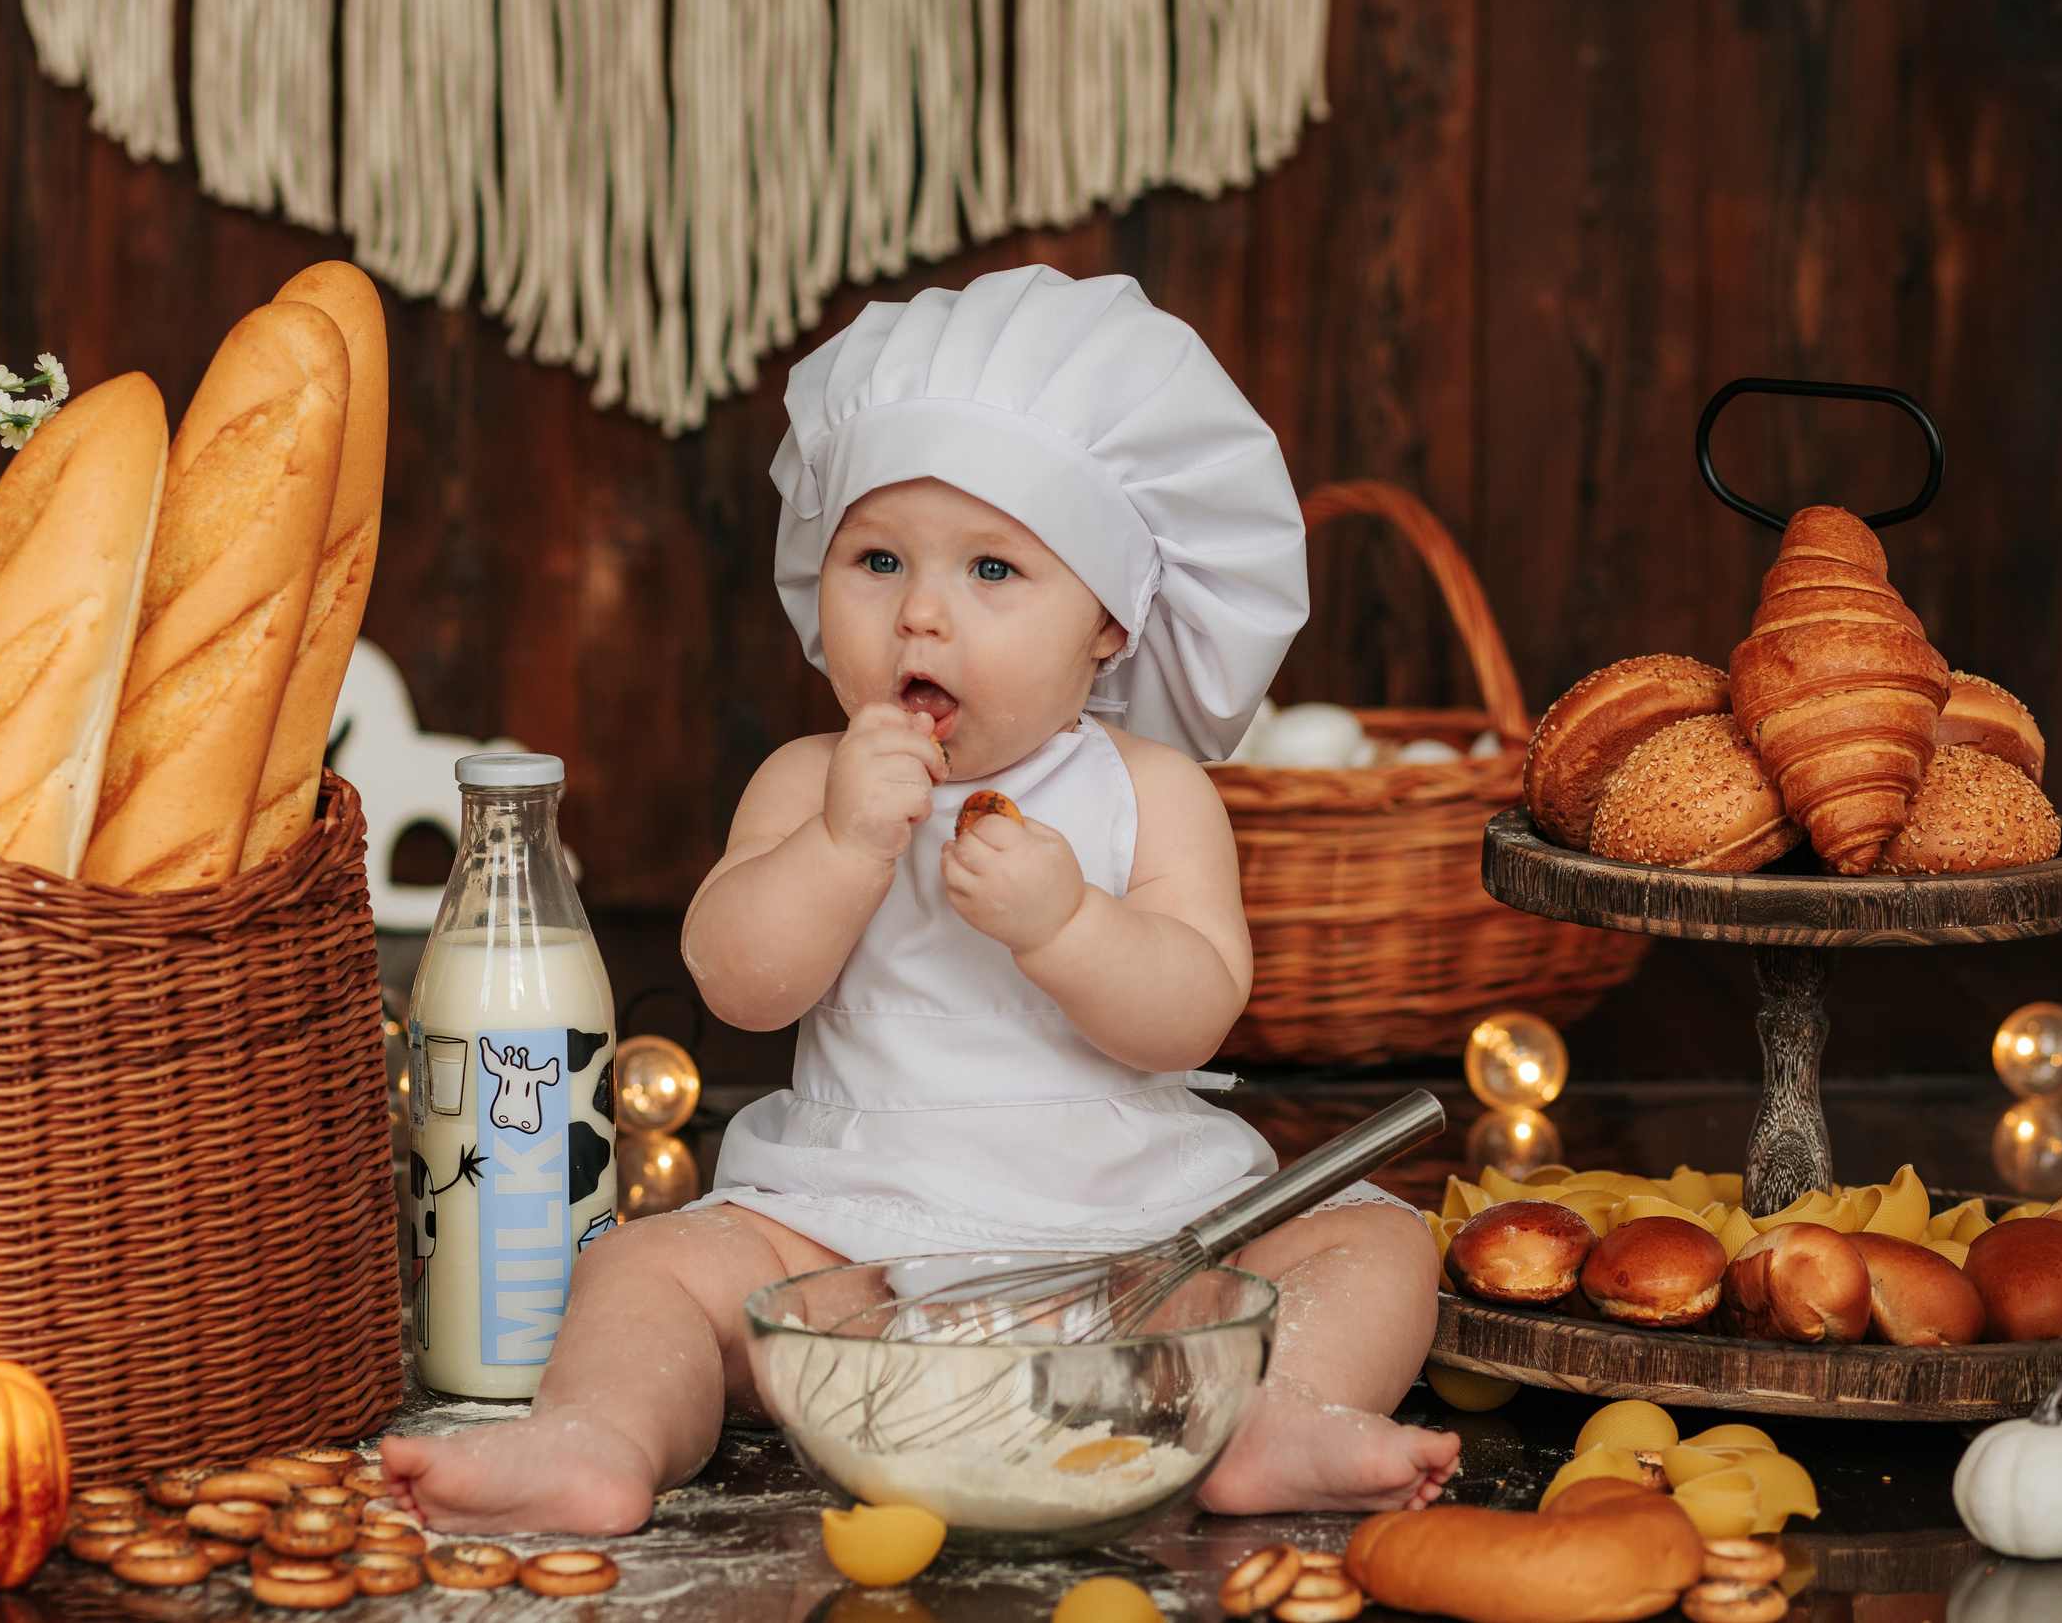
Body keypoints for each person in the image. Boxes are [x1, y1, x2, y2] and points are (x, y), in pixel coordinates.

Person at [383, 267, 1460, 1533]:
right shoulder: (806, 779)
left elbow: (1193, 1015)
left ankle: (1279, 1414)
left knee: (1376, 1244)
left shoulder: (1149, 793)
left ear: (1110, 625)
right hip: (849, 1244)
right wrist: (841, 847)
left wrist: (1070, 928)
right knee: (643, 1267)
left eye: (994, 569)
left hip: (1135, 1237)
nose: (922, 614)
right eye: (878, 559)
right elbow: (740, 982)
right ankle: (598, 1438)